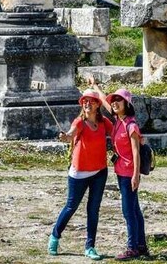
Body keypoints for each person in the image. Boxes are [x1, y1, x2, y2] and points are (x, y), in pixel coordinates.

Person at [48, 90, 112, 260]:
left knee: (93, 210)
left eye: (91, 101)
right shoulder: (80, 122)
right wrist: (65, 137)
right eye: (84, 101)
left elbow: (117, 134)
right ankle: (55, 235)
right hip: (79, 173)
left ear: (98, 104)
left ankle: (90, 247)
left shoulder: (104, 122)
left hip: (100, 171)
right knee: (71, 207)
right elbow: (70, 135)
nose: (87, 104)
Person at [88, 80, 148, 261]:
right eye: (113, 100)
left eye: (118, 101)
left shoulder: (131, 125)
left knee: (128, 211)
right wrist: (96, 87)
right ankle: (141, 245)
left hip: (129, 173)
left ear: (126, 105)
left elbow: (136, 151)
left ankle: (132, 248)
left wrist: (136, 175)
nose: (114, 103)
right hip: (122, 172)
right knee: (135, 210)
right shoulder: (119, 121)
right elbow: (105, 105)